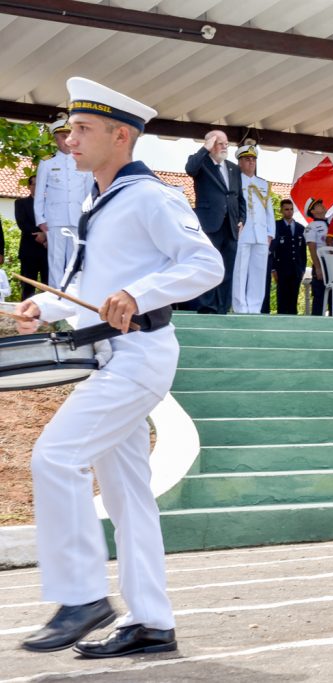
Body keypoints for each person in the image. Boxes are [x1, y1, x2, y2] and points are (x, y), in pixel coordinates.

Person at [14, 77, 223, 657]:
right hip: (106, 352)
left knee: (55, 457)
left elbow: (205, 265)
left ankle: (82, 594)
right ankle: (152, 621)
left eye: (82, 130)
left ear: (120, 134)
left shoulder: (151, 196)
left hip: (139, 355)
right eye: (69, 130)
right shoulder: (96, 200)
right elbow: (89, 287)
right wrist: (46, 304)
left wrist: (140, 291)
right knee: (131, 497)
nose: (69, 140)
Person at [186, 129, 246, 314]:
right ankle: (207, 306)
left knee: (227, 268)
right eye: (220, 143)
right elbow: (190, 169)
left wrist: (242, 219)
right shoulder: (201, 163)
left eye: (226, 144)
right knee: (208, 265)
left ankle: (222, 307)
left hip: (231, 226)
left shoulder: (233, 168)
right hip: (210, 224)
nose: (224, 147)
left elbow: (239, 197)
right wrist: (205, 148)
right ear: (211, 144)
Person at [34, 116, 91, 288]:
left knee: (75, 259)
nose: (66, 140)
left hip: (78, 217)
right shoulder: (47, 163)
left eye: (68, 135)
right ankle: (55, 295)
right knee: (56, 259)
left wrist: (88, 218)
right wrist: (40, 219)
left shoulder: (84, 161)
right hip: (55, 218)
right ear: (56, 139)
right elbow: (39, 194)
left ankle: (73, 297)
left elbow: (90, 194)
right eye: (62, 137)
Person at [231, 141, 274, 314]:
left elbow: (269, 210)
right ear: (240, 162)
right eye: (247, 159)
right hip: (243, 233)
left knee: (259, 271)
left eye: (253, 160)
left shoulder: (263, 184)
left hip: (261, 234)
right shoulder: (233, 181)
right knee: (240, 271)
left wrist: (270, 232)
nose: (251, 162)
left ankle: (255, 308)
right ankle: (240, 307)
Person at [15, 174, 48, 300]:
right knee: (28, 286)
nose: (38, 187)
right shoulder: (20, 203)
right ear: (29, 186)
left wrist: (46, 236)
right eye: (34, 184)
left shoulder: (50, 204)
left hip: (47, 250)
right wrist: (39, 235)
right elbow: (22, 223)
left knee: (48, 286)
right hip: (29, 251)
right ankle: (25, 316)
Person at [270, 198, 306, 315]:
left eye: (291, 209)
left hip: (296, 269)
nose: (289, 212)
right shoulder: (276, 226)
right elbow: (273, 249)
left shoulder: (300, 228)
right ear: (281, 210)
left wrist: (302, 269)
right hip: (282, 268)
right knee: (282, 298)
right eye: (286, 209)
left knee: (293, 299)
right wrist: (273, 268)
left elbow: (303, 251)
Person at [304, 198, 331, 315]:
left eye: (321, 204)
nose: (322, 206)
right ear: (313, 211)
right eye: (318, 205)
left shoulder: (331, 222)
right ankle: (317, 319)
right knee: (319, 293)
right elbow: (312, 248)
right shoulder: (312, 226)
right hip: (322, 261)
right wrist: (318, 267)